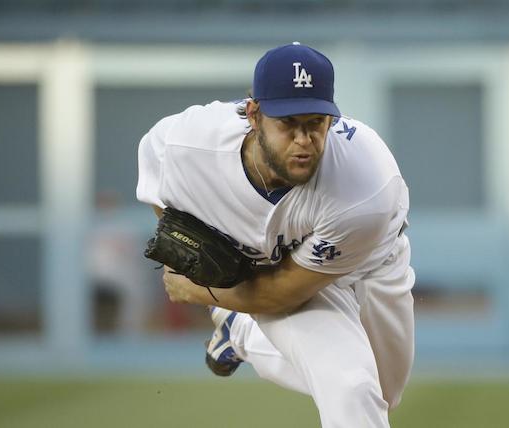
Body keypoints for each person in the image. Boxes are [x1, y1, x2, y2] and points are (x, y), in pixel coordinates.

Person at [136, 42, 415, 427]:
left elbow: (284, 292)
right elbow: (162, 191)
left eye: (315, 123)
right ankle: (245, 327)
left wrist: (201, 291)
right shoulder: (185, 145)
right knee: (350, 386)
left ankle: (242, 332)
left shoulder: (364, 188)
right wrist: (200, 241)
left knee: (384, 391)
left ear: (331, 119)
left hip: (369, 258)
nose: (304, 140)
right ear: (253, 114)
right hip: (275, 265)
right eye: (287, 122)